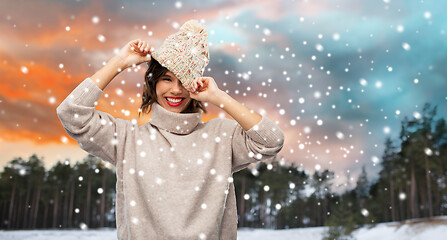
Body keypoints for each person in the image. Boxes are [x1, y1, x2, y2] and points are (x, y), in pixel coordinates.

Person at [56, 19, 284, 240]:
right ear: (152, 83)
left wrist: (219, 97)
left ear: (196, 84)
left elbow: (271, 141)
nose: (176, 90)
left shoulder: (221, 136)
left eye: (184, 80)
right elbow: (72, 114)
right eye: (166, 79)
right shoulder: (127, 138)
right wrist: (119, 62)